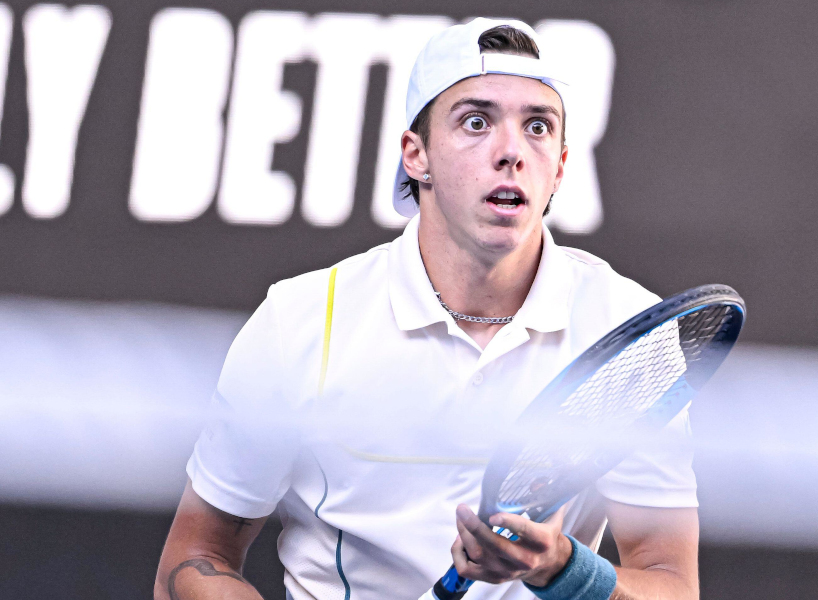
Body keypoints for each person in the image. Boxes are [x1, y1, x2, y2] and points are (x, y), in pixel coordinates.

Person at [155, 18, 700, 600]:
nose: (511, 151)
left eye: (537, 127)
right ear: (417, 155)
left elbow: (672, 583)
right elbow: (194, 559)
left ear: (560, 167)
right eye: (476, 122)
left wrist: (564, 569)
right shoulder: (301, 321)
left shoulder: (627, 331)